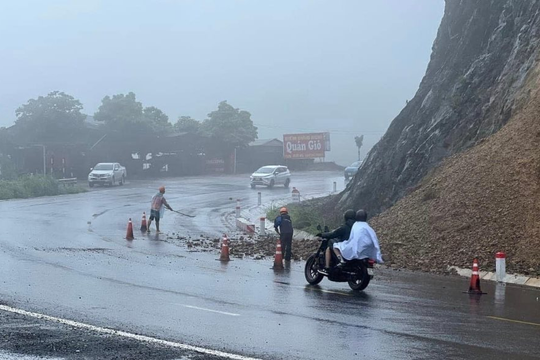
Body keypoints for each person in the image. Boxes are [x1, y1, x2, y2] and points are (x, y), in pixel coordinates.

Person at [317, 209, 356, 275]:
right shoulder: (358, 227)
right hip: (354, 247)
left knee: (331, 243)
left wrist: (322, 234)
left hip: (345, 246)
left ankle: (327, 266)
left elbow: (333, 234)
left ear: (346, 217)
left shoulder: (344, 227)